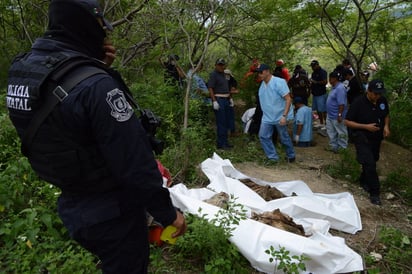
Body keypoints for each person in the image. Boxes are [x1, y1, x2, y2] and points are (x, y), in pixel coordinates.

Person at [6, 1, 186, 273]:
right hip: (113, 211)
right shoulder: (97, 86)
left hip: (72, 204)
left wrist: (93, 66)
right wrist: (168, 213)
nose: (105, 37)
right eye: (101, 29)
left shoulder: (23, 70)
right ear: (85, 27)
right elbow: (133, 161)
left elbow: (65, 120)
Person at [344, 79, 390, 205]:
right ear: (368, 91)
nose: (377, 96)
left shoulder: (382, 100)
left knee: (372, 160)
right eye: (375, 93)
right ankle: (375, 192)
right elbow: (347, 121)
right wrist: (365, 127)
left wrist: (386, 127)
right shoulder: (358, 102)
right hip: (361, 136)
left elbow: (385, 114)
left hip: (377, 137)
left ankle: (363, 180)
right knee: (369, 163)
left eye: (379, 93)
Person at [255, 64, 295, 163]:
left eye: (261, 72)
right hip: (267, 117)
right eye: (258, 73)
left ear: (267, 71)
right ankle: (273, 158)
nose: (259, 74)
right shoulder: (262, 85)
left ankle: (291, 155)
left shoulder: (279, 82)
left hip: (279, 116)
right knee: (263, 136)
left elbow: (288, 99)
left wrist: (284, 116)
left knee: (284, 137)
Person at [208, 58, 233, 149]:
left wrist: (230, 98)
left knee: (227, 122)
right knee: (221, 122)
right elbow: (210, 88)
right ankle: (221, 143)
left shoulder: (225, 74)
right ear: (216, 65)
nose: (221, 66)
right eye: (219, 65)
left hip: (226, 99)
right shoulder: (213, 75)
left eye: (222, 65)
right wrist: (214, 101)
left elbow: (228, 87)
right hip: (219, 99)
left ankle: (225, 142)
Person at [326, 71, 348, 152]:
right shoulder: (334, 87)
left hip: (337, 115)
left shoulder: (340, 88)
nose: (329, 80)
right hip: (330, 114)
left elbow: (342, 103)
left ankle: (342, 148)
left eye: (330, 78)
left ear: (334, 79)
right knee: (331, 132)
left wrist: (339, 114)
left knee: (341, 131)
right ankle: (333, 146)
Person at [309, 60, 328, 128]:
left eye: (313, 66)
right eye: (312, 66)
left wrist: (316, 82)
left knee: (323, 109)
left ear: (317, 65)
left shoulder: (323, 72)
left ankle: (326, 124)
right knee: (318, 110)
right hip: (315, 94)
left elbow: (325, 82)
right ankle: (321, 123)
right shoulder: (313, 73)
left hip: (321, 94)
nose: (312, 68)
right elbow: (313, 82)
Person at [224, 68, 239, 136]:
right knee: (225, 117)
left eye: (228, 74)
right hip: (223, 100)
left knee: (231, 116)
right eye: (226, 74)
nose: (227, 75)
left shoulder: (231, 80)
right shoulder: (221, 80)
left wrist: (233, 89)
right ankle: (226, 132)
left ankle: (232, 131)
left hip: (229, 99)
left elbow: (234, 85)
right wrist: (232, 92)